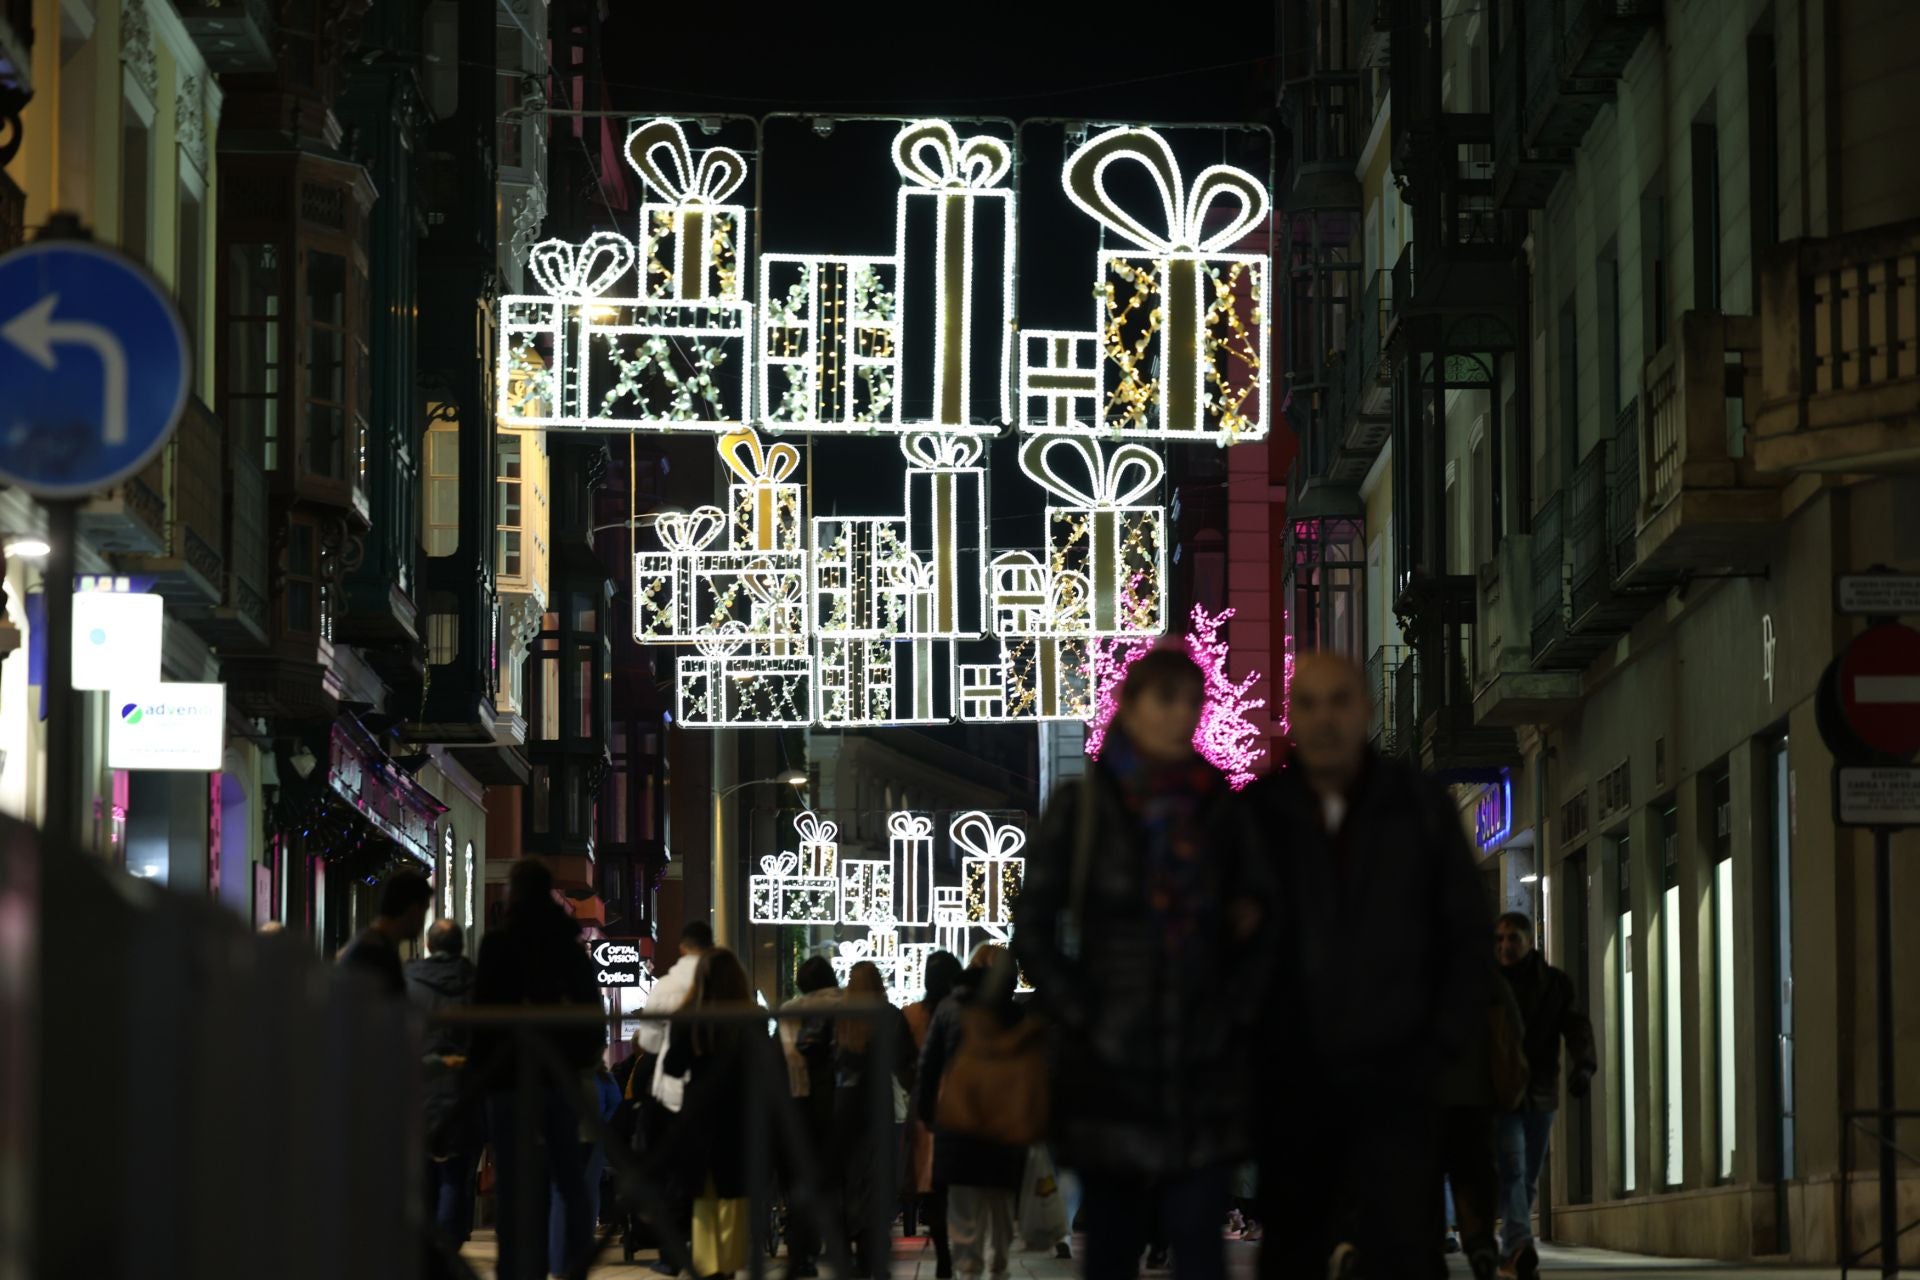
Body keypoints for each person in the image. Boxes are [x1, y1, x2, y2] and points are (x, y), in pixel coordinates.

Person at [1013, 647, 1273, 1280]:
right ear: (1128, 707)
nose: (1180, 716)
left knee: (1199, 1243)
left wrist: (1233, 1010)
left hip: (1201, 1060)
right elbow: (1034, 928)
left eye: (1192, 702)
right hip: (1111, 1064)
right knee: (1111, 1243)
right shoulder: (1085, 809)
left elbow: (1261, 922)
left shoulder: (1218, 806)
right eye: (1165, 700)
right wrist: (1084, 1013)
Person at [1246, 652, 1491, 1280]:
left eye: (1339, 701)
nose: (1325, 719)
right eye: (1308, 703)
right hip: (1294, 1085)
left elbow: (1464, 934)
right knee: (1296, 1253)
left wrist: (1439, 1045)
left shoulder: (1417, 809)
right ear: (1292, 716)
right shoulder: (1261, 817)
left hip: (1399, 1081)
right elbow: (1231, 946)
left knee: (1405, 1252)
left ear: (1365, 710)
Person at [470, 858, 605, 1280]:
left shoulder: (499, 944)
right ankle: (575, 1264)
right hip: (558, 1078)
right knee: (567, 1176)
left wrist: (480, 1076)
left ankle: (517, 1267)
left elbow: (482, 1018)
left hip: (509, 1078)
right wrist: (578, 1060)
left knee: (514, 1183)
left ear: (514, 892)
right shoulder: (568, 949)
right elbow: (592, 1021)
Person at [657, 947, 776, 1280]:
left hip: (699, 1118)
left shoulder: (689, 1017)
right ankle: (726, 1267)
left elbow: (672, 1065)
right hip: (739, 1120)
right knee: (732, 1202)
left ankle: (706, 1266)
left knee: (703, 1199)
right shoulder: (751, 1018)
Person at [1495, 911, 1598, 1280]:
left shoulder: (1553, 984)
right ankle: (1522, 1244)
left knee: (1526, 1176)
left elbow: (1575, 1025)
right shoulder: (1485, 987)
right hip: (1500, 1094)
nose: (1505, 946)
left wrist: (1584, 1064)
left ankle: (1511, 1253)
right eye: (1500, 939)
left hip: (1540, 1091)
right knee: (1513, 1169)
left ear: (1528, 943)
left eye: (1513, 939)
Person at [916, 945, 1027, 1280]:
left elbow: (929, 1064)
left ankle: (968, 1269)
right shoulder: (1014, 1013)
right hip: (1004, 1125)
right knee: (1000, 1207)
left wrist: (927, 1113)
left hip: (957, 1119)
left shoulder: (949, 1008)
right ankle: (999, 1266)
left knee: (963, 1210)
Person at [1436, 963, 1528, 1280]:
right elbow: (1513, 1029)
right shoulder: (1485, 978)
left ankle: (1438, 1245)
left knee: (1432, 1176)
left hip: (1427, 1098)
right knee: (1475, 1172)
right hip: (1475, 1097)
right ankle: (1481, 1246)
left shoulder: (1407, 969)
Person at [634, 920, 714, 1274]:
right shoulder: (724, 984)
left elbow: (650, 1042)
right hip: (715, 1093)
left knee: (672, 1173)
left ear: (683, 947)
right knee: (711, 1172)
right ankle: (710, 1247)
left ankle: (671, 1253)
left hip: (671, 1092)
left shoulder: (665, 986)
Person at [833, 960, 916, 1277]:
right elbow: (903, 1061)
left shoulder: (841, 1018)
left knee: (850, 1176)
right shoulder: (889, 1015)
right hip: (879, 1107)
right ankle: (873, 1246)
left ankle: (848, 1241)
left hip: (845, 1106)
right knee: (877, 1177)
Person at [407, 919, 482, 1247]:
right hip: (465, 1091)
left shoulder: (409, 983)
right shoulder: (477, 983)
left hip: (417, 1090)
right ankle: (447, 1252)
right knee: (456, 1174)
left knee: (421, 1175)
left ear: (428, 944)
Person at [779, 955, 844, 1278]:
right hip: (838, 1102)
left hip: (797, 1103)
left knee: (802, 1180)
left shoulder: (791, 1011)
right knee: (837, 1178)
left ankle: (801, 1251)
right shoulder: (848, 1005)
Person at [903, 950, 963, 1270]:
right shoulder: (963, 1013)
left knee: (932, 1179)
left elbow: (903, 1063)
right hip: (960, 1098)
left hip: (924, 1098)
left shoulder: (912, 1014)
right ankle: (960, 1246)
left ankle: (942, 1254)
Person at [337, 869, 432, 996]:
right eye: (424, 911)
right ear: (413, 911)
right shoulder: (376, 955)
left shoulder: (366, 945)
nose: (423, 920)